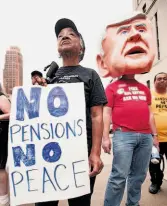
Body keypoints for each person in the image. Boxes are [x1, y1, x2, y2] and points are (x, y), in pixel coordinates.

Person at [32, 18, 107, 206]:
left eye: (71, 34)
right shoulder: (47, 78)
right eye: (60, 35)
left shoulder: (90, 75)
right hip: (48, 156)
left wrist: (95, 153)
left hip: (81, 156)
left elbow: (97, 116)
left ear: (81, 46)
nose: (64, 36)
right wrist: (38, 91)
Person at [96, 11, 158, 206]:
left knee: (139, 176)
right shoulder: (112, 87)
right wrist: (106, 137)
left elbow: (149, 114)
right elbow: (106, 112)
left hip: (146, 137)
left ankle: (133, 203)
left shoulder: (143, 89)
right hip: (124, 136)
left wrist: (154, 136)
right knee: (118, 177)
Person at [149, 72, 167, 194]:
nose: (162, 80)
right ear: (154, 81)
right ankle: (156, 182)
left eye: (165, 79)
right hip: (154, 138)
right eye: (159, 79)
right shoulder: (149, 95)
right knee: (154, 163)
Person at [0, 84, 11, 206]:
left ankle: (3, 199)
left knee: (1, 168)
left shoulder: (1, 98)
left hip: (2, 135)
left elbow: (12, 113)